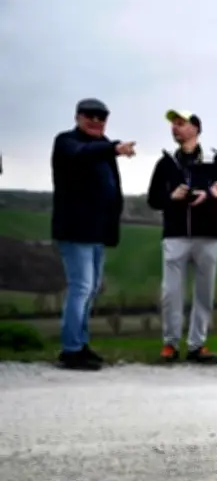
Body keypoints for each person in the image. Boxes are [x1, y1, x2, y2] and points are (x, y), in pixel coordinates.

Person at [51, 98, 135, 371]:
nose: (96, 121)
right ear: (77, 117)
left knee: (91, 289)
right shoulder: (67, 142)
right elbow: (81, 154)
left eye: (102, 117)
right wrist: (113, 148)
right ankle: (71, 350)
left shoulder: (102, 146)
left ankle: (81, 343)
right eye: (90, 116)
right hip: (76, 230)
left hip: (97, 231)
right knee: (81, 287)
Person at [146, 110, 217, 364]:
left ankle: (197, 345)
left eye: (180, 123)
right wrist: (171, 197)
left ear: (196, 128)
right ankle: (170, 344)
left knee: (204, 293)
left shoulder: (214, 159)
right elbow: (153, 199)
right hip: (175, 236)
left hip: (208, 236)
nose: (175, 128)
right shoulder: (165, 162)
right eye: (173, 124)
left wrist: (210, 193)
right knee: (171, 293)